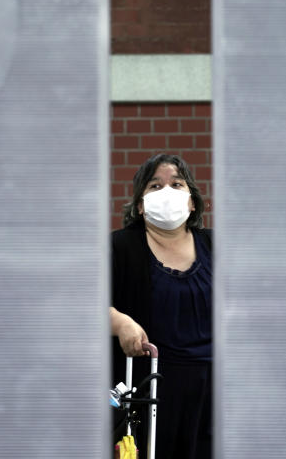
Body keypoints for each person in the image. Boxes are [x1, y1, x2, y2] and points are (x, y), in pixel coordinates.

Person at [110, 153, 212, 459]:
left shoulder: (217, 246)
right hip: (150, 389)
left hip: (211, 392)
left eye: (177, 184)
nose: (167, 192)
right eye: (155, 186)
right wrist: (120, 322)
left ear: (192, 201)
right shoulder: (120, 247)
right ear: (140, 206)